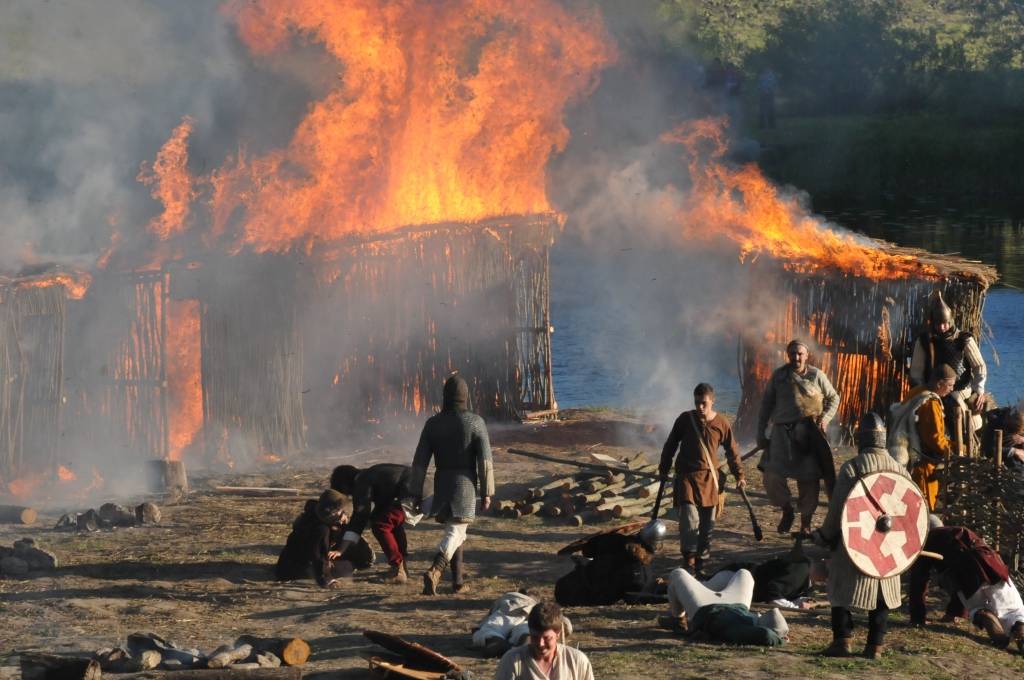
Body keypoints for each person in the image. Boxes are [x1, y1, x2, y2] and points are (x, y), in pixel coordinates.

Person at [811, 413, 909, 659]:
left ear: (862, 439)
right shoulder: (900, 470)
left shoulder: (853, 467)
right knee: (883, 592)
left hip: (856, 543)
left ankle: (842, 641)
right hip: (889, 545)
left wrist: (825, 536)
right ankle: (875, 645)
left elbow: (838, 511)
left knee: (839, 587)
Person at [410, 373, 495, 595]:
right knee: (457, 530)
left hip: (443, 482)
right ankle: (436, 569)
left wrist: (415, 491)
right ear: (466, 397)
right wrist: (487, 492)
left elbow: (420, 462)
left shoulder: (433, 424)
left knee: (456, 530)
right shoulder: (475, 422)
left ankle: (457, 581)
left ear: (445, 396)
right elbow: (485, 461)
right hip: (464, 483)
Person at [658, 383, 745, 575]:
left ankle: (701, 563)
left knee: (707, 525)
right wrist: (664, 468)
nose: (700, 407)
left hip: (710, 479)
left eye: (704, 403)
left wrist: (739, 475)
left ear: (712, 401)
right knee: (689, 519)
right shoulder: (685, 419)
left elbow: (732, 450)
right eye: (697, 403)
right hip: (686, 477)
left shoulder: (721, 423)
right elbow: (671, 444)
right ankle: (688, 561)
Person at [757, 339, 839, 534]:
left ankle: (805, 526)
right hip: (781, 434)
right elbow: (766, 405)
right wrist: (760, 432)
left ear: (806, 355)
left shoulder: (816, 376)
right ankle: (787, 510)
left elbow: (834, 398)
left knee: (809, 481)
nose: (796, 357)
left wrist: (825, 419)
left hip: (809, 435)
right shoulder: (779, 377)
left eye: (800, 353)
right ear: (788, 355)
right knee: (771, 476)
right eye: (792, 353)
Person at [909, 519, 1024, 652]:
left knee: (976, 606)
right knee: (1013, 609)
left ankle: (982, 614)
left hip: (963, 575)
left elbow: (918, 581)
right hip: (991, 564)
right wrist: (953, 614)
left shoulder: (925, 543)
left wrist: (917, 618)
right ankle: (1020, 629)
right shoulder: (960, 531)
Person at [910, 290, 987, 445]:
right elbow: (917, 371)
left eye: (945, 323)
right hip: (933, 390)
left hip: (960, 390)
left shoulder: (963, 340)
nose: (942, 327)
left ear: (950, 321)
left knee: (955, 404)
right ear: (933, 322)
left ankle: (967, 442)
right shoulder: (925, 341)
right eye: (939, 324)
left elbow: (979, 367)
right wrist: (923, 393)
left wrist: (979, 390)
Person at [887, 363, 957, 510]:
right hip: (922, 464)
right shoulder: (931, 403)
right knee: (922, 509)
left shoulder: (916, 392)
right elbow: (935, 440)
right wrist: (957, 447)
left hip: (907, 458)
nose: (952, 389)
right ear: (939, 384)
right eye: (950, 385)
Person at [329, 463, 412, 584]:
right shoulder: (372, 475)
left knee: (381, 525)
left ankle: (398, 569)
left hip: (414, 492)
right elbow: (372, 512)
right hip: (421, 487)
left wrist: (341, 550)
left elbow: (359, 517)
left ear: (345, 485)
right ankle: (402, 566)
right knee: (386, 520)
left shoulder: (361, 481)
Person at [662, 567, 788, 645]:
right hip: (737, 604)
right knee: (744, 573)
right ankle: (702, 586)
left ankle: (678, 619)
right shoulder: (752, 622)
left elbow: (766, 635)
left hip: (704, 607)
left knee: (677, 574)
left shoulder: (737, 630)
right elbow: (766, 633)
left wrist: (779, 640)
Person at [275, 490, 374, 587]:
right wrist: (326, 578)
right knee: (347, 567)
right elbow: (317, 555)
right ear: (333, 511)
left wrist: (340, 550)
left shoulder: (316, 514)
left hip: (290, 561)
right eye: (340, 510)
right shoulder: (321, 529)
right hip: (296, 566)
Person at [554, 524, 656, 606]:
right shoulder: (642, 574)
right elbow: (633, 598)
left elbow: (588, 550)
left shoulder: (613, 540)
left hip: (569, 589)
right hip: (586, 595)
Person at [494, 601, 594, 680]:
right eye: (535, 637)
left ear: (558, 633)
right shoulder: (512, 661)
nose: (540, 644)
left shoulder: (577, 661)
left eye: (547, 638)